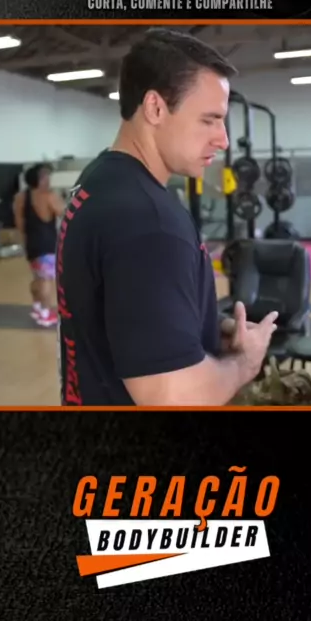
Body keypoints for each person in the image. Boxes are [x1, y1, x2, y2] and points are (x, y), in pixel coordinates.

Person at [57, 28, 277, 405]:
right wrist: (245, 363)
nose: (223, 139)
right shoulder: (149, 223)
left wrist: (205, 328)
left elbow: (121, 315)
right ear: (155, 108)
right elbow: (172, 397)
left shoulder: (100, 180)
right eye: (209, 119)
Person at [13, 162, 64, 328]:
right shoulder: (49, 196)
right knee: (46, 280)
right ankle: (46, 313)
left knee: (37, 277)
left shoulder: (21, 197)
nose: (48, 179)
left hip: (32, 244)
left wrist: (26, 240)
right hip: (47, 245)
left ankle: (37, 307)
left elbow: (20, 223)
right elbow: (65, 213)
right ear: (39, 179)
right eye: (45, 177)